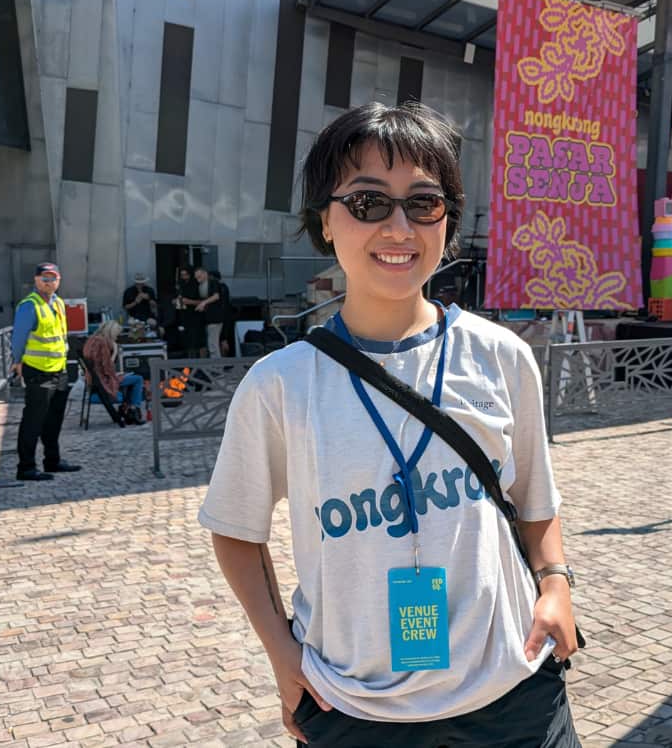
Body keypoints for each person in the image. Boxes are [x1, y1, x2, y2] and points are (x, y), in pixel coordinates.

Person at [199, 102, 581, 747]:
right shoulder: (280, 384)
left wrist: (555, 585)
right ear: (325, 221)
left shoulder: (501, 356)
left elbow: (534, 501)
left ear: (448, 223)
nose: (398, 227)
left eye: (423, 203)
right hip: (356, 705)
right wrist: (281, 655)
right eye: (369, 202)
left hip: (513, 689)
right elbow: (236, 530)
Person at [11, 262, 82, 481]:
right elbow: (18, 338)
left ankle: (52, 460)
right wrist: (17, 362)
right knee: (33, 420)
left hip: (59, 370)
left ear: (59, 280)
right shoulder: (29, 305)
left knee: (54, 419)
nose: (49, 282)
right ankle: (26, 468)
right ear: (36, 280)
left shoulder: (58, 303)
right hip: (38, 371)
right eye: (45, 278)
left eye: (53, 278)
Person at [82, 321, 146, 425]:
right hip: (103, 381)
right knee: (138, 379)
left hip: (94, 380)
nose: (116, 338)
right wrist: (115, 352)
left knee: (127, 379)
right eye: (116, 335)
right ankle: (133, 409)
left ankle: (126, 410)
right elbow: (108, 368)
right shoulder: (102, 343)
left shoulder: (91, 340)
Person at [191, 267, 222, 358]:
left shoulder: (213, 283)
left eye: (199, 276)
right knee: (210, 344)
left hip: (215, 318)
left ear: (205, 274)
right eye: (196, 278)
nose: (198, 279)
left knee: (213, 344)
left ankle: (218, 368)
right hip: (207, 318)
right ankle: (215, 366)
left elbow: (216, 296)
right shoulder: (200, 286)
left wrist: (204, 303)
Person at [176, 266, 203, 358]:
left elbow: (202, 301)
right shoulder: (181, 285)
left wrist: (189, 301)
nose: (184, 277)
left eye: (186, 275)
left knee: (196, 340)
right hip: (184, 315)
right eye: (182, 275)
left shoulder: (196, 285)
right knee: (186, 340)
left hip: (195, 316)